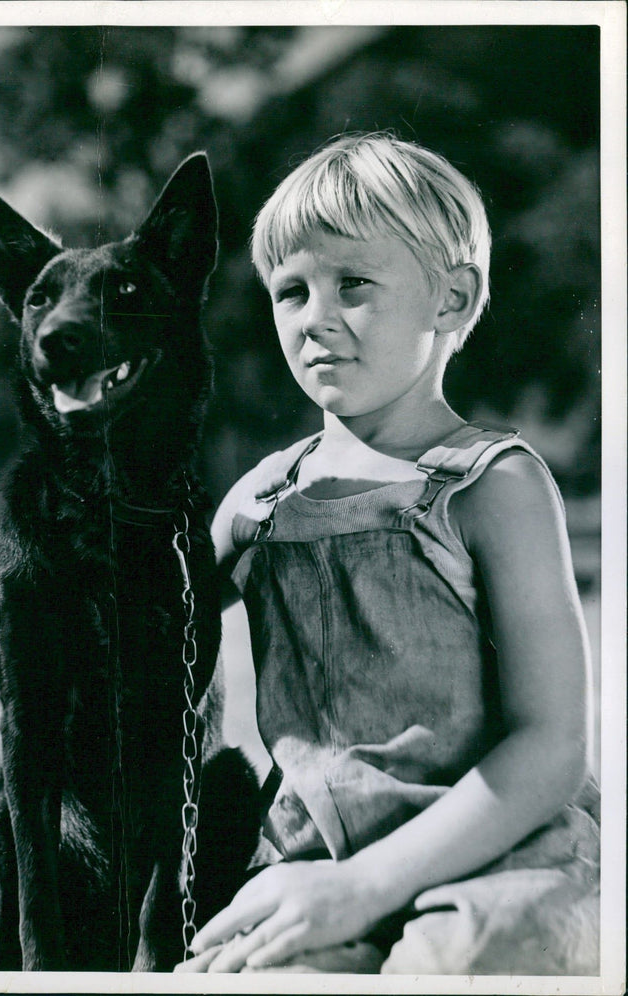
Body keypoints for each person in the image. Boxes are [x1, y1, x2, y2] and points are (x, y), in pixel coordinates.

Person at [176, 133, 600, 975]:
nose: (315, 318)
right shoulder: (262, 498)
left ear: (451, 298)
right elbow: (147, 627)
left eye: (354, 284)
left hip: (497, 853)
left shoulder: (493, 485)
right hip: (315, 860)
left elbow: (552, 747)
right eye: (290, 290)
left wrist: (370, 887)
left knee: (457, 964)